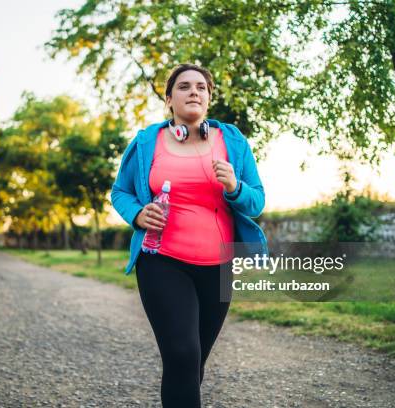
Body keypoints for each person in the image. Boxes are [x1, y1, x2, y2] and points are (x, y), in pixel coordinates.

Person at [111, 63, 268, 407]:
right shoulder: (146, 141)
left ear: (209, 98)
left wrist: (234, 186)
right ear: (169, 99)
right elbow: (119, 192)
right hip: (162, 260)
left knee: (192, 362)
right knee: (182, 353)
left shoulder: (233, 141)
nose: (193, 91)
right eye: (183, 86)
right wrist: (137, 214)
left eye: (201, 87)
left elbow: (256, 200)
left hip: (218, 266)